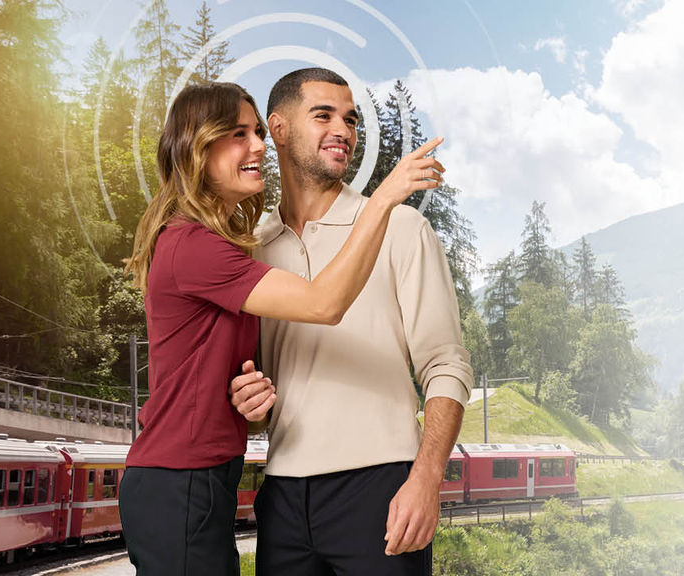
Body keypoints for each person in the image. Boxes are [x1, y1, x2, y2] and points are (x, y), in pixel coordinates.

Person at [119, 81, 444, 576]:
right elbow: (323, 303)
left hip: (209, 479)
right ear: (196, 150)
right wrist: (385, 199)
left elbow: (231, 375)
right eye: (236, 134)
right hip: (187, 480)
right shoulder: (200, 246)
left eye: (255, 133)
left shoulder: (228, 249)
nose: (256, 147)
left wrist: (248, 399)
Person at [226, 68, 470, 576]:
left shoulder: (402, 228)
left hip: (381, 488)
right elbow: (262, 393)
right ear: (279, 128)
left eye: (351, 119)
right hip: (284, 496)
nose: (343, 129)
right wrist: (249, 403)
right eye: (323, 115)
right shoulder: (254, 247)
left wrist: (426, 480)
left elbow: (446, 364)